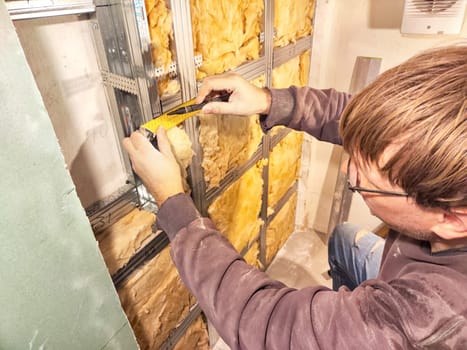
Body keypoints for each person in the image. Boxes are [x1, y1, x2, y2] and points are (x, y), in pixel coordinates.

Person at [123, 45, 467, 349]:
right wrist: (269, 100)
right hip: (398, 274)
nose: (348, 171)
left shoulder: (424, 322)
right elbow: (355, 117)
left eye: (363, 179)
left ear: (452, 218)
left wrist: (173, 202)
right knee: (346, 241)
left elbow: (268, 325)